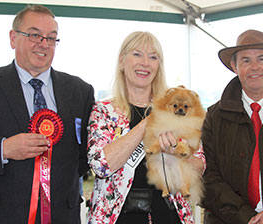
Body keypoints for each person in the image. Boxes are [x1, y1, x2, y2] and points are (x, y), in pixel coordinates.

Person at [87, 31, 205, 224]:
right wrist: (146, 125)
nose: (145, 63)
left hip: (169, 215)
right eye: (137, 54)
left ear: (159, 65)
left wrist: (178, 152)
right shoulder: (104, 111)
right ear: (122, 60)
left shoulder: (177, 107)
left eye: (153, 57)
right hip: (119, 217)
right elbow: (101, 166)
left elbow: (200, 165)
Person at [0, 5, 94, 223]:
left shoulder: (81, 91)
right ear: (13, 38)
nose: (44, 44)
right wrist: (4, 149)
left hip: (64, 214)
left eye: (51, 38)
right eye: (34, 35)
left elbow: (85, 156)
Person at [201, 29, 263, 224]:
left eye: (261, 59)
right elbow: (205, 174)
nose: (254, 67)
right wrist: (246, 218)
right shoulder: (213, 117)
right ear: (234, 66)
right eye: (245, 60)